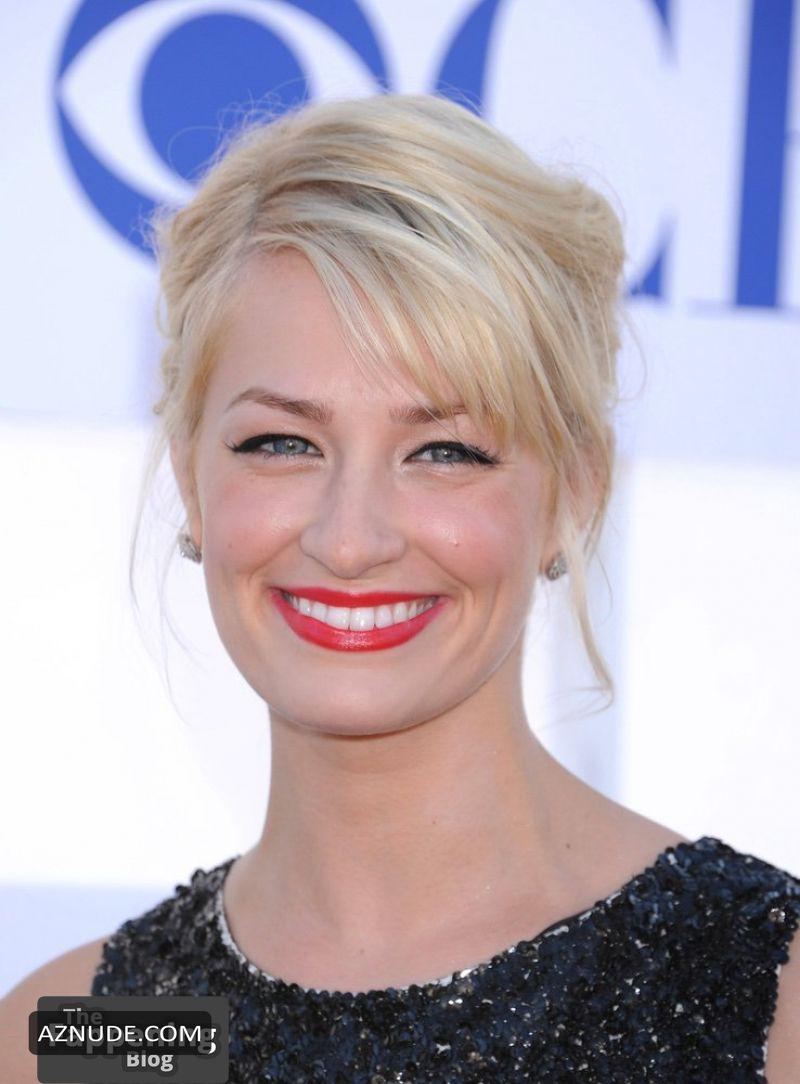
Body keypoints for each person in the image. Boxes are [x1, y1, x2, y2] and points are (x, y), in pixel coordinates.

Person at [2, 92, 798, 1082]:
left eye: (445, 451)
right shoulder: (93, 1033)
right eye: (281, 442)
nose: (350, 539)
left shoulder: (768, 999)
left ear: (573, 494)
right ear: (189, 482)